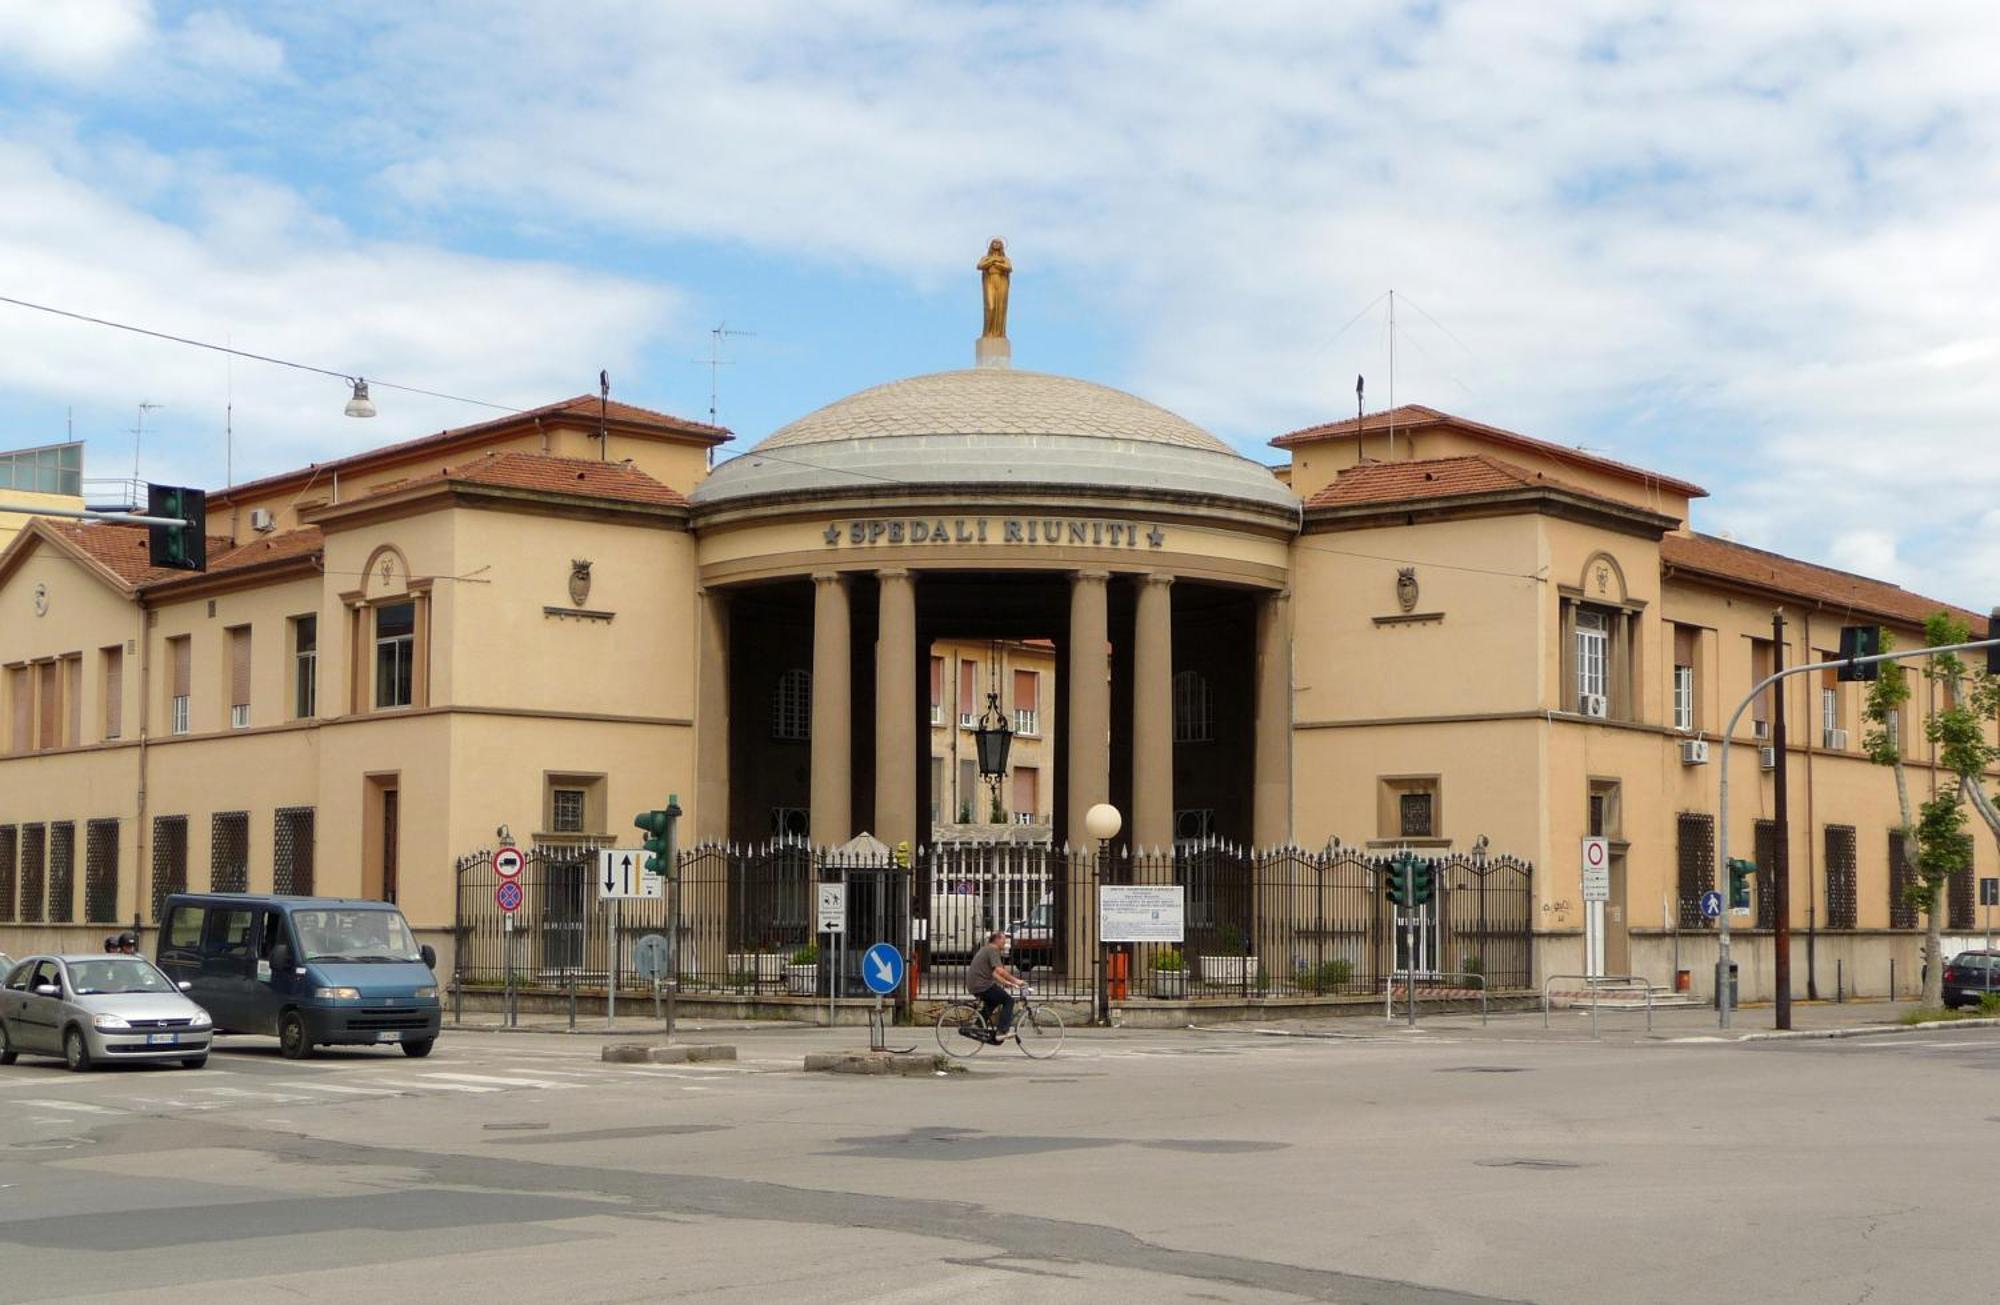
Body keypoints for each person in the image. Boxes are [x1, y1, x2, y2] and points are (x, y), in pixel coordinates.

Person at [965, 929, 1024, 1043]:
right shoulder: (993, 950)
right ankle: (1002, 1031)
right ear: (996, 939)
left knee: (993, 1001)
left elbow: (993, 973)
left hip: (976, 984)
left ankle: (977, 1025)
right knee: (1008, 1000)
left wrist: (1005, 982)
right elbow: (999, 970)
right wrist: (1016, 981)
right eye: (1003, 940)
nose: (1005, 943)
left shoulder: (986, 949)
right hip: (982, 985)